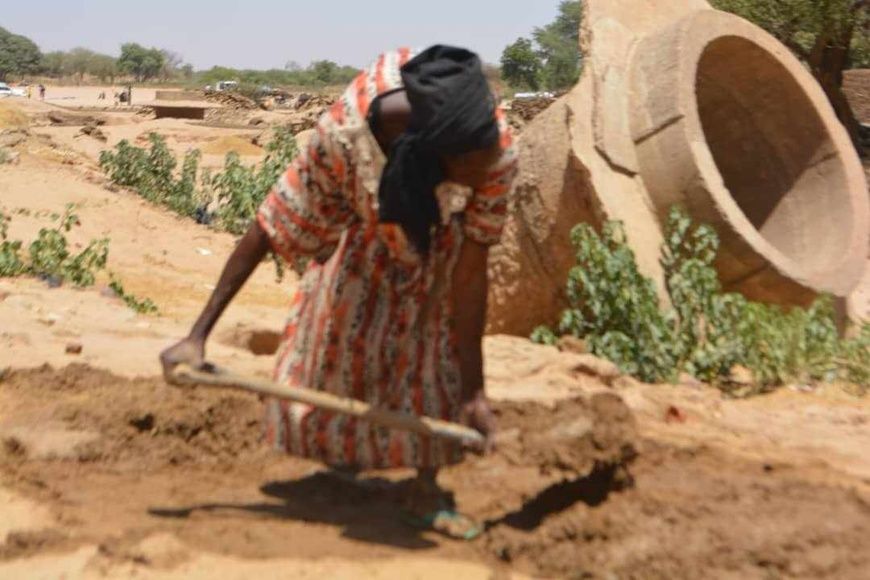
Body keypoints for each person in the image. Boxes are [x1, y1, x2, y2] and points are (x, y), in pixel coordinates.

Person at [160, 45, 517, 539]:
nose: (484, 174)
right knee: (345, 332)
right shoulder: (345, 135)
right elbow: (273, 220)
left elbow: (471, 272)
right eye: (471, 170)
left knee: (432, 348)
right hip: (365, 226)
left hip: (440, 240)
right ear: (436, 152)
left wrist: (475, 390)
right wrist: (197, 336)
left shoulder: (492, 148)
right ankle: (345, 465)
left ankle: (426, 485)